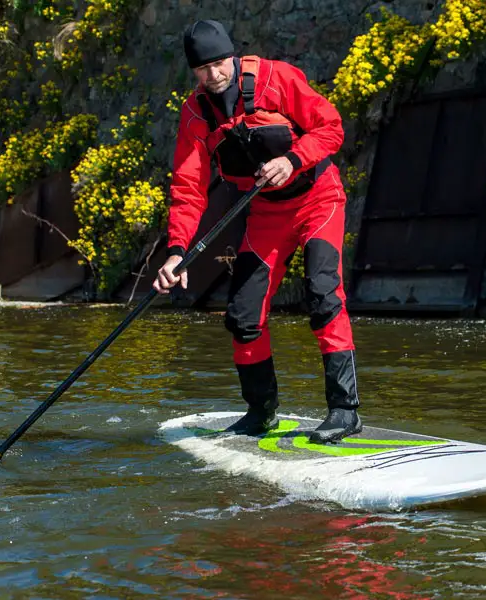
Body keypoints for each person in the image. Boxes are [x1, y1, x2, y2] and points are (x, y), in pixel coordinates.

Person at [152, 19, 361, 443]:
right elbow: (188, 187)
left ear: (231, 54)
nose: (213, 76)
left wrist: (294, 158)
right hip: (266, 213)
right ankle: (261, 411)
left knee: (323, 295)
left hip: (318, 198)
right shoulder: (196, 113)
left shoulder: (276, 78)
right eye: (201, 70)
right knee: (243, 316)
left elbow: (331, 127)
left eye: (218, 64)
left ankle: (344, 411)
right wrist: (177, 252)